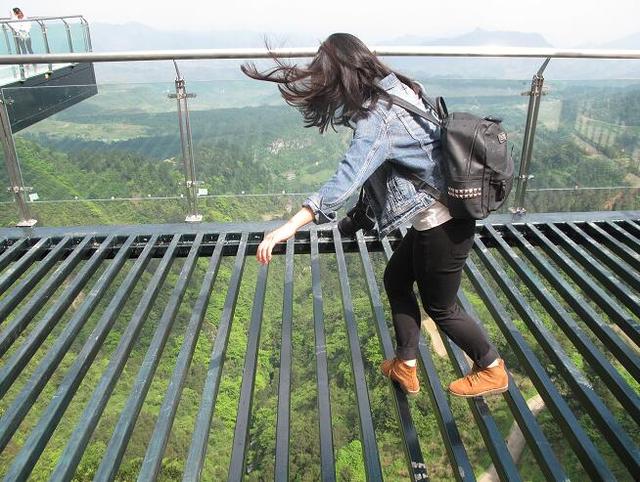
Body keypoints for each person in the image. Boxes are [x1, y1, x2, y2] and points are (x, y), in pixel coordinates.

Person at [242, 33, 508, 398]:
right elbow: (386, 172)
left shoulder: (376, 119)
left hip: (443, 222)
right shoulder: (398, 86)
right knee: (396, 279)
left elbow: (344, 182)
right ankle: (406, 364)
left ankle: (492, 368)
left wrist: (286, 228)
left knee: (441, 307)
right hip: (434, 213)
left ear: (342, 75)